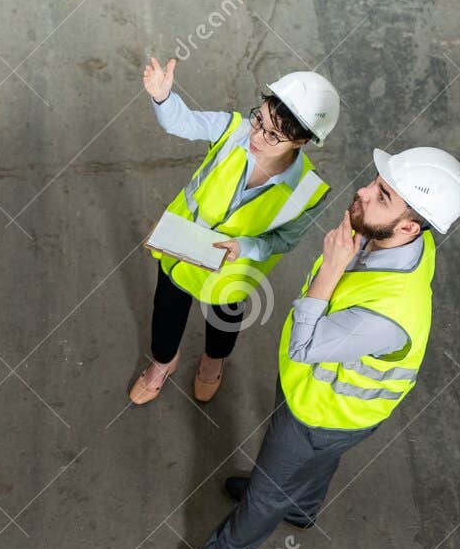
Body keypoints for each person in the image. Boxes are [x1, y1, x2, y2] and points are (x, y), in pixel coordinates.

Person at [152, 146, 460, 549]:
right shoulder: (399, 239)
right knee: (305, 468)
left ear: (408, 225)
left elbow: (305, 347)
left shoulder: (390, 313)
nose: (362, 191)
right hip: (317, 393)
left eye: (381, 194)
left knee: (265, 495)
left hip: (324, 413)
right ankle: (301, 506)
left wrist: (334, 266)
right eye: (376, 182)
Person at [131, 60, 339, 405]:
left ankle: (213, 362)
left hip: (233, 268)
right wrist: (164, 98)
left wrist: (244, 247)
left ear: (302, 140)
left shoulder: (308, 191)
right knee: (167, 309)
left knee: (224, 321)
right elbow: (185, 122)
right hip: (179, 247)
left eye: (273, 134)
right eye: (261, 119)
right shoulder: (235, 130)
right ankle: (162, 363)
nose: (256, 136)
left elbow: (284, 240)